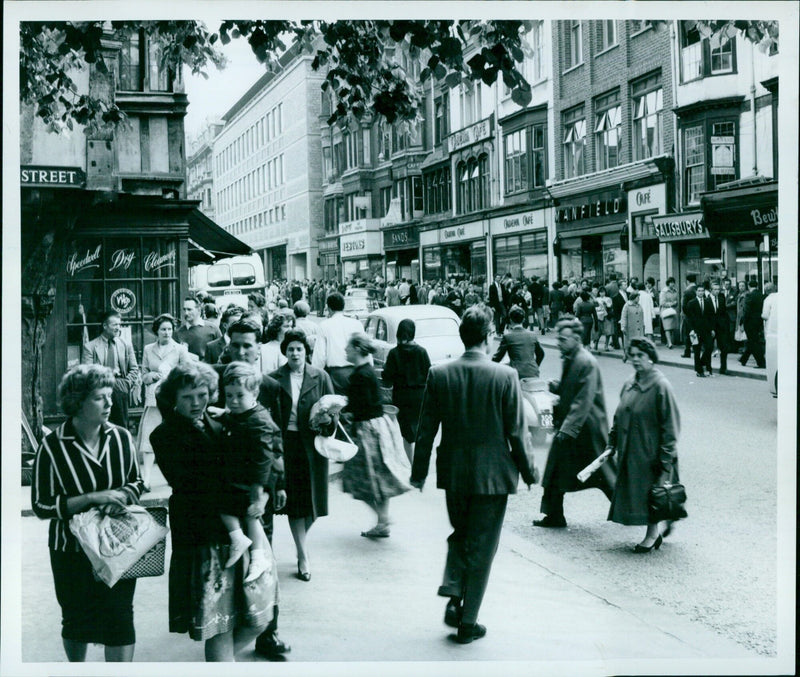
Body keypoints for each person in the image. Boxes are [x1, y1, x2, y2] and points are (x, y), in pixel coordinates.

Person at [412, 305, 536, 644]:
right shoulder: (504, 376)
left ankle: (454, 590)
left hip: (453, 473)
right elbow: (516, 432)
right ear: (488, 336)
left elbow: (425, 431)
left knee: (461, 533)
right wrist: (529, 471)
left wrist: (418, 473)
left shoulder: (440, 374)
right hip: (493, 476)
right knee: (483, 548)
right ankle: (468, 621)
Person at [150, 362, 277, 661]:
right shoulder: (165, 436)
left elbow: (263, 453)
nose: (196, 403)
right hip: (204, 537)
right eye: (187, 397)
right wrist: (247, 491)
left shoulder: (224, 422)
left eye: (203, 394)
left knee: (260, 614)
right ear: (173, 399)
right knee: (220, 624)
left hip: (239, 531)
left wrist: (264, 487)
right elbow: (195, 487)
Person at [31, 364, 144, 662]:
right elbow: (42, 506)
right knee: (76, 620)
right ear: (77, 401)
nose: (109, 404)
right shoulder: (52, 446)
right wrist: (93, 498)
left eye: (110, 396)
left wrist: (121, 495)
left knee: (120, 619)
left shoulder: (121, 437)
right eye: (99, 398)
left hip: (119, 545)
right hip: (71, 549)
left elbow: (137, 482)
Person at [212, 318, 290, 660]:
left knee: (263, 559)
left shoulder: (272, 388)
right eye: (236, 344)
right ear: (227, 345)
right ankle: (226, 626)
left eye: (248, 345)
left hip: (259, 491)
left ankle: (267, 631)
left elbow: (277, 444)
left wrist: (278, 485)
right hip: (222, 486)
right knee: (227, 562)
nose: (242, 351)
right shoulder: (216, 381)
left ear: (259, 348)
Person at [535, 317, 614, 529]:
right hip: (576, 428)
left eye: (562, 339)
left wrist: (566, 429)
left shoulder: (585, 361)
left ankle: (639, 513)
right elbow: (574, 390)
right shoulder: (573, 357)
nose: (558, 343)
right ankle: (554, 515)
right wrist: (558, 386)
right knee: (556, 469)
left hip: (586, 430)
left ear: (576, 338)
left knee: (606, 477)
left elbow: (583, 399)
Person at [269, 329, 335, 581]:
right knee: (296, 503)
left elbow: (335, 411)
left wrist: (329, 419)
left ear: (306, 351)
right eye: (291, 349)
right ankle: (302, 555)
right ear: (284, 351)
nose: (295, 353)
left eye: (299, 348)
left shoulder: (321, 376)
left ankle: (301, 543)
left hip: (315, 445)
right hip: (288, 444)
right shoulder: (275, 378)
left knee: (314, 503)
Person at [607, 338, 681, 552]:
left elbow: (671, 426)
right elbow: (619, 414)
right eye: (633, 355)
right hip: (632, 449)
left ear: (651, 357)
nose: (636, 359)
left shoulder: (661, 386)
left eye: (641, 355)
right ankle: (660, 527)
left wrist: (665, 459)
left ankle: (652, 534)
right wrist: (612, 441)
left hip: (651, 451)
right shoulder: (630, 382)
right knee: (642, 492)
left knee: (652, 492)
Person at [217, 362, 284, 583]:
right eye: (229, 396)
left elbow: (264, 459)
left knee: (243, 512)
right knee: (249, 516)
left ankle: (249, 548)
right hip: (244, 476)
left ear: (255, 392)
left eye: (239, 395)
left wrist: (258, 491)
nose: (233, 401)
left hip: (252, 479)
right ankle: (256, 554)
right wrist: (225, 414)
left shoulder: (259, 420)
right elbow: (238, 423)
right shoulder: (246, 414)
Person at [341, 333, 412, 537]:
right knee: (379, 477)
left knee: (359, 479)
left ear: (357, 349)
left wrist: (342, 409)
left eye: (348, 347)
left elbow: (359, 407)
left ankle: (382, 518)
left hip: (366, 430)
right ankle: (383, 521)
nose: (345, 350)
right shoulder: (367, 371)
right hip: (379, 427)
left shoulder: (358, 375)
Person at [138, 313, 191, 491]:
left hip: (173, 399)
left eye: (169, 329)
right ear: (157, 331)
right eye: (163, 329)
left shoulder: (180, 349)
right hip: (153, 398)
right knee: (149, 435)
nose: (167, 333)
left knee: (175, 436)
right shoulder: (148, 349)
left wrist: (173, 376)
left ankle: (177, 475)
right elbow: (143, 374)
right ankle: (146, 478)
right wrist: (150, 376)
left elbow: (188, 372)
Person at [381, 319, 431, 463]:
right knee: (420, 431)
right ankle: (420, 462)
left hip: (401, 398)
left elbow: (387, 378)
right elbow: (429, 374)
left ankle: (411, 463)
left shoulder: (394, 353)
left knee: (407, 435)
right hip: (420, 397)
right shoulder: (422, 352)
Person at [80, 309, 140, 429]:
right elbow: (87, 372)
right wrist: (107, 374)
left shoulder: (125, 345)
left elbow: (134, 369)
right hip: (100, 388)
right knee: (101, 426)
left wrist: (126, 384)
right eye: (114, 325)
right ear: (105, 326)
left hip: (120, 388)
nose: (118, 327)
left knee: (121, 426)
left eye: (119, 324)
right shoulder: (90, 347)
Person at [311, 292, 369, 395]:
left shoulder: (324, 325)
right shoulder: (356, 323)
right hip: (358, 371)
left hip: (337, 376)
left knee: (339, 406)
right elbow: (365, 348)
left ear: (329, 308)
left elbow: (320, 356)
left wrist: (314, 376)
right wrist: (369, 367)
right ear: (343, 306)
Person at [492, 305, 545, 378]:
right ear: (523, 320)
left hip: (516, 374)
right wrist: (535, 365)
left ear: (510, 320)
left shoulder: (508, 336)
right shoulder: (533, 335)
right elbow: (541, 354)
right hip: (534, 372)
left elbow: (497, 357)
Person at [177, 296, 222, 360]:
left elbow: (221, 350)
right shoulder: (178, 333)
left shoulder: (213, 328)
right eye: (184, 309)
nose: (186, 313)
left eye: (189, 309)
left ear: (198, 310)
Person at [685, 283, 715, 377]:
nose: (701, 293)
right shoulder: (691, 303)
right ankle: (699, 371)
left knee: (709, 347)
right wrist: (691, 330)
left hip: (706, 330)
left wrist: (712, 329)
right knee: (697, 350)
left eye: (702, 291)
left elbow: (711, 317)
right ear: (696, 292)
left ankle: (705, 365)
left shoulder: (707, 302)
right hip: (695, 330)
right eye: (699, 291)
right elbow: (689, 318)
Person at [740, 279, 766, 368]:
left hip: (750, 323)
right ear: (757, 286)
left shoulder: (749, 296)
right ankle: (743, 359)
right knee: (753, 341)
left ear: (749, 286)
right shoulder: (762, 296)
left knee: (753, 342)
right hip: (759, 322)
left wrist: (743, 322)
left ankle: (761, 362)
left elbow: (746, 311)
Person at [709, 281, 731, 375]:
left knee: (724, 348)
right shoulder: (707, 300)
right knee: (708, 348)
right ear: (711, 290)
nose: (717, 291)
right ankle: (707, 366)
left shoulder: (721, 299)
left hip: (721, 327)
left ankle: (723, 368)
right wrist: (710, 328)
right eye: (715, 289)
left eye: (718, 289)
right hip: (711, 327)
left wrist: (726, 325)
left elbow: (724, 313)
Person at [619, 290, 644, 363]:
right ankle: (626, 355)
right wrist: (623, 326)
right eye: (637, 297)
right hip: (630, 328)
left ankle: (636, 357)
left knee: (638, 344)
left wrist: (643, 325)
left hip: (638, 328)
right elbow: (623, 317)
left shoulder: (639, 306)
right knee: (630, 344)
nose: (638, 299)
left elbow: (641, 316)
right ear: (634, 298)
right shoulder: (627, 306)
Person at [680, 274, 698, 358]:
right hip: (698, 315)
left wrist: (686, 314)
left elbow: (684, 306)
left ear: (687, 281)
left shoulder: (687, 291)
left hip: (689, 316)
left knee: (687, 334)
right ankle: (696, 349)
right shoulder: (699, 289)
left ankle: (687, 352)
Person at [658, 277, 680, 349]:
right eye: (671, 282)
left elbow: (677, 300)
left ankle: (668, 342)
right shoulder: (664, 291)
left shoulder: (675, 291)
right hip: (665, 311)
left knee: (671, 327)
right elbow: (662, 302)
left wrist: (675, 303)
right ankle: (670, 343)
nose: (672, 284)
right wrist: (671, 304)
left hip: (673, 311)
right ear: (668, 283)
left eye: (673, 282)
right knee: (667, 327)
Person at [592, 286, 614, 351]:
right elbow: (595, 307)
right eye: (601, 292)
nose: (602, 293)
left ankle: (606, 345)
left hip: (606, 317)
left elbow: (609, 306)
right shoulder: (596, 299)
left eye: (603, 292)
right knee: (598, 332)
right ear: (599, 293)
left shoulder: (608, 299)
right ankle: (596, 344)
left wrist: (605, 304)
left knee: (608, 331)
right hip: (599, 317)